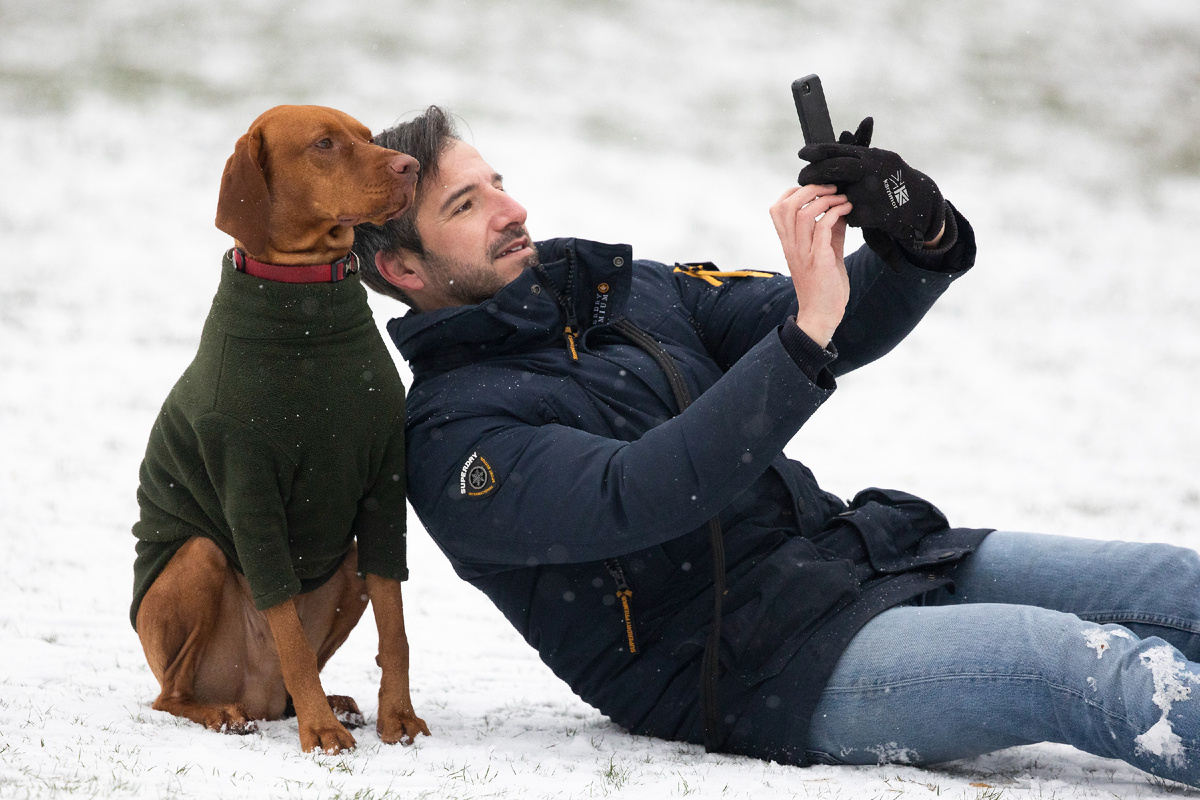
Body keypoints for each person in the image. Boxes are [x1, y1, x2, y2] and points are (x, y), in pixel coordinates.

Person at [351, 106, 1200, 787]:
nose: (512, 209)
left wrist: (916, 230)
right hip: (756, 667)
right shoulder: (453, 438)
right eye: (465, 206)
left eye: (496, 183)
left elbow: (822, 315)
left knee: (1173, 587)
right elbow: (647, 490)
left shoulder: (621, 293)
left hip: (855, 560)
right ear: (405, 270)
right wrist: (808, 333)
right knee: (1085, 671)